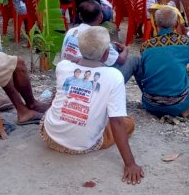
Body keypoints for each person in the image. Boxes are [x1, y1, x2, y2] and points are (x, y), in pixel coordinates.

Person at [41, 26, 144, 185]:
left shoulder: (64, 66)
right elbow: (116, 121)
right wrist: (130, 164)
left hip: (49, 135)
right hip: (83, 145)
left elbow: (74, 67)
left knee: (61, 95)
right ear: (106, 54)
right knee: (127, 123)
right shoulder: (113, 76)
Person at [136, 7, 189, 124]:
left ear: (155, 23)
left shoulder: (145, 46)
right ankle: (185, 110)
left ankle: (157, 98)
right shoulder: (184, 42)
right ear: (176, 24)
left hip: (150, 104)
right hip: (179, 105)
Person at [61, 0, 139, 83]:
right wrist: (126, 49)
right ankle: (148, 94)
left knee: (114, 46)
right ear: (101, 17)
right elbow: (121, 60)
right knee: (135, 60)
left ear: (80, 16)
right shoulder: (98, 36)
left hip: (70, 72)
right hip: (90, 76)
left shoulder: (71, 31)